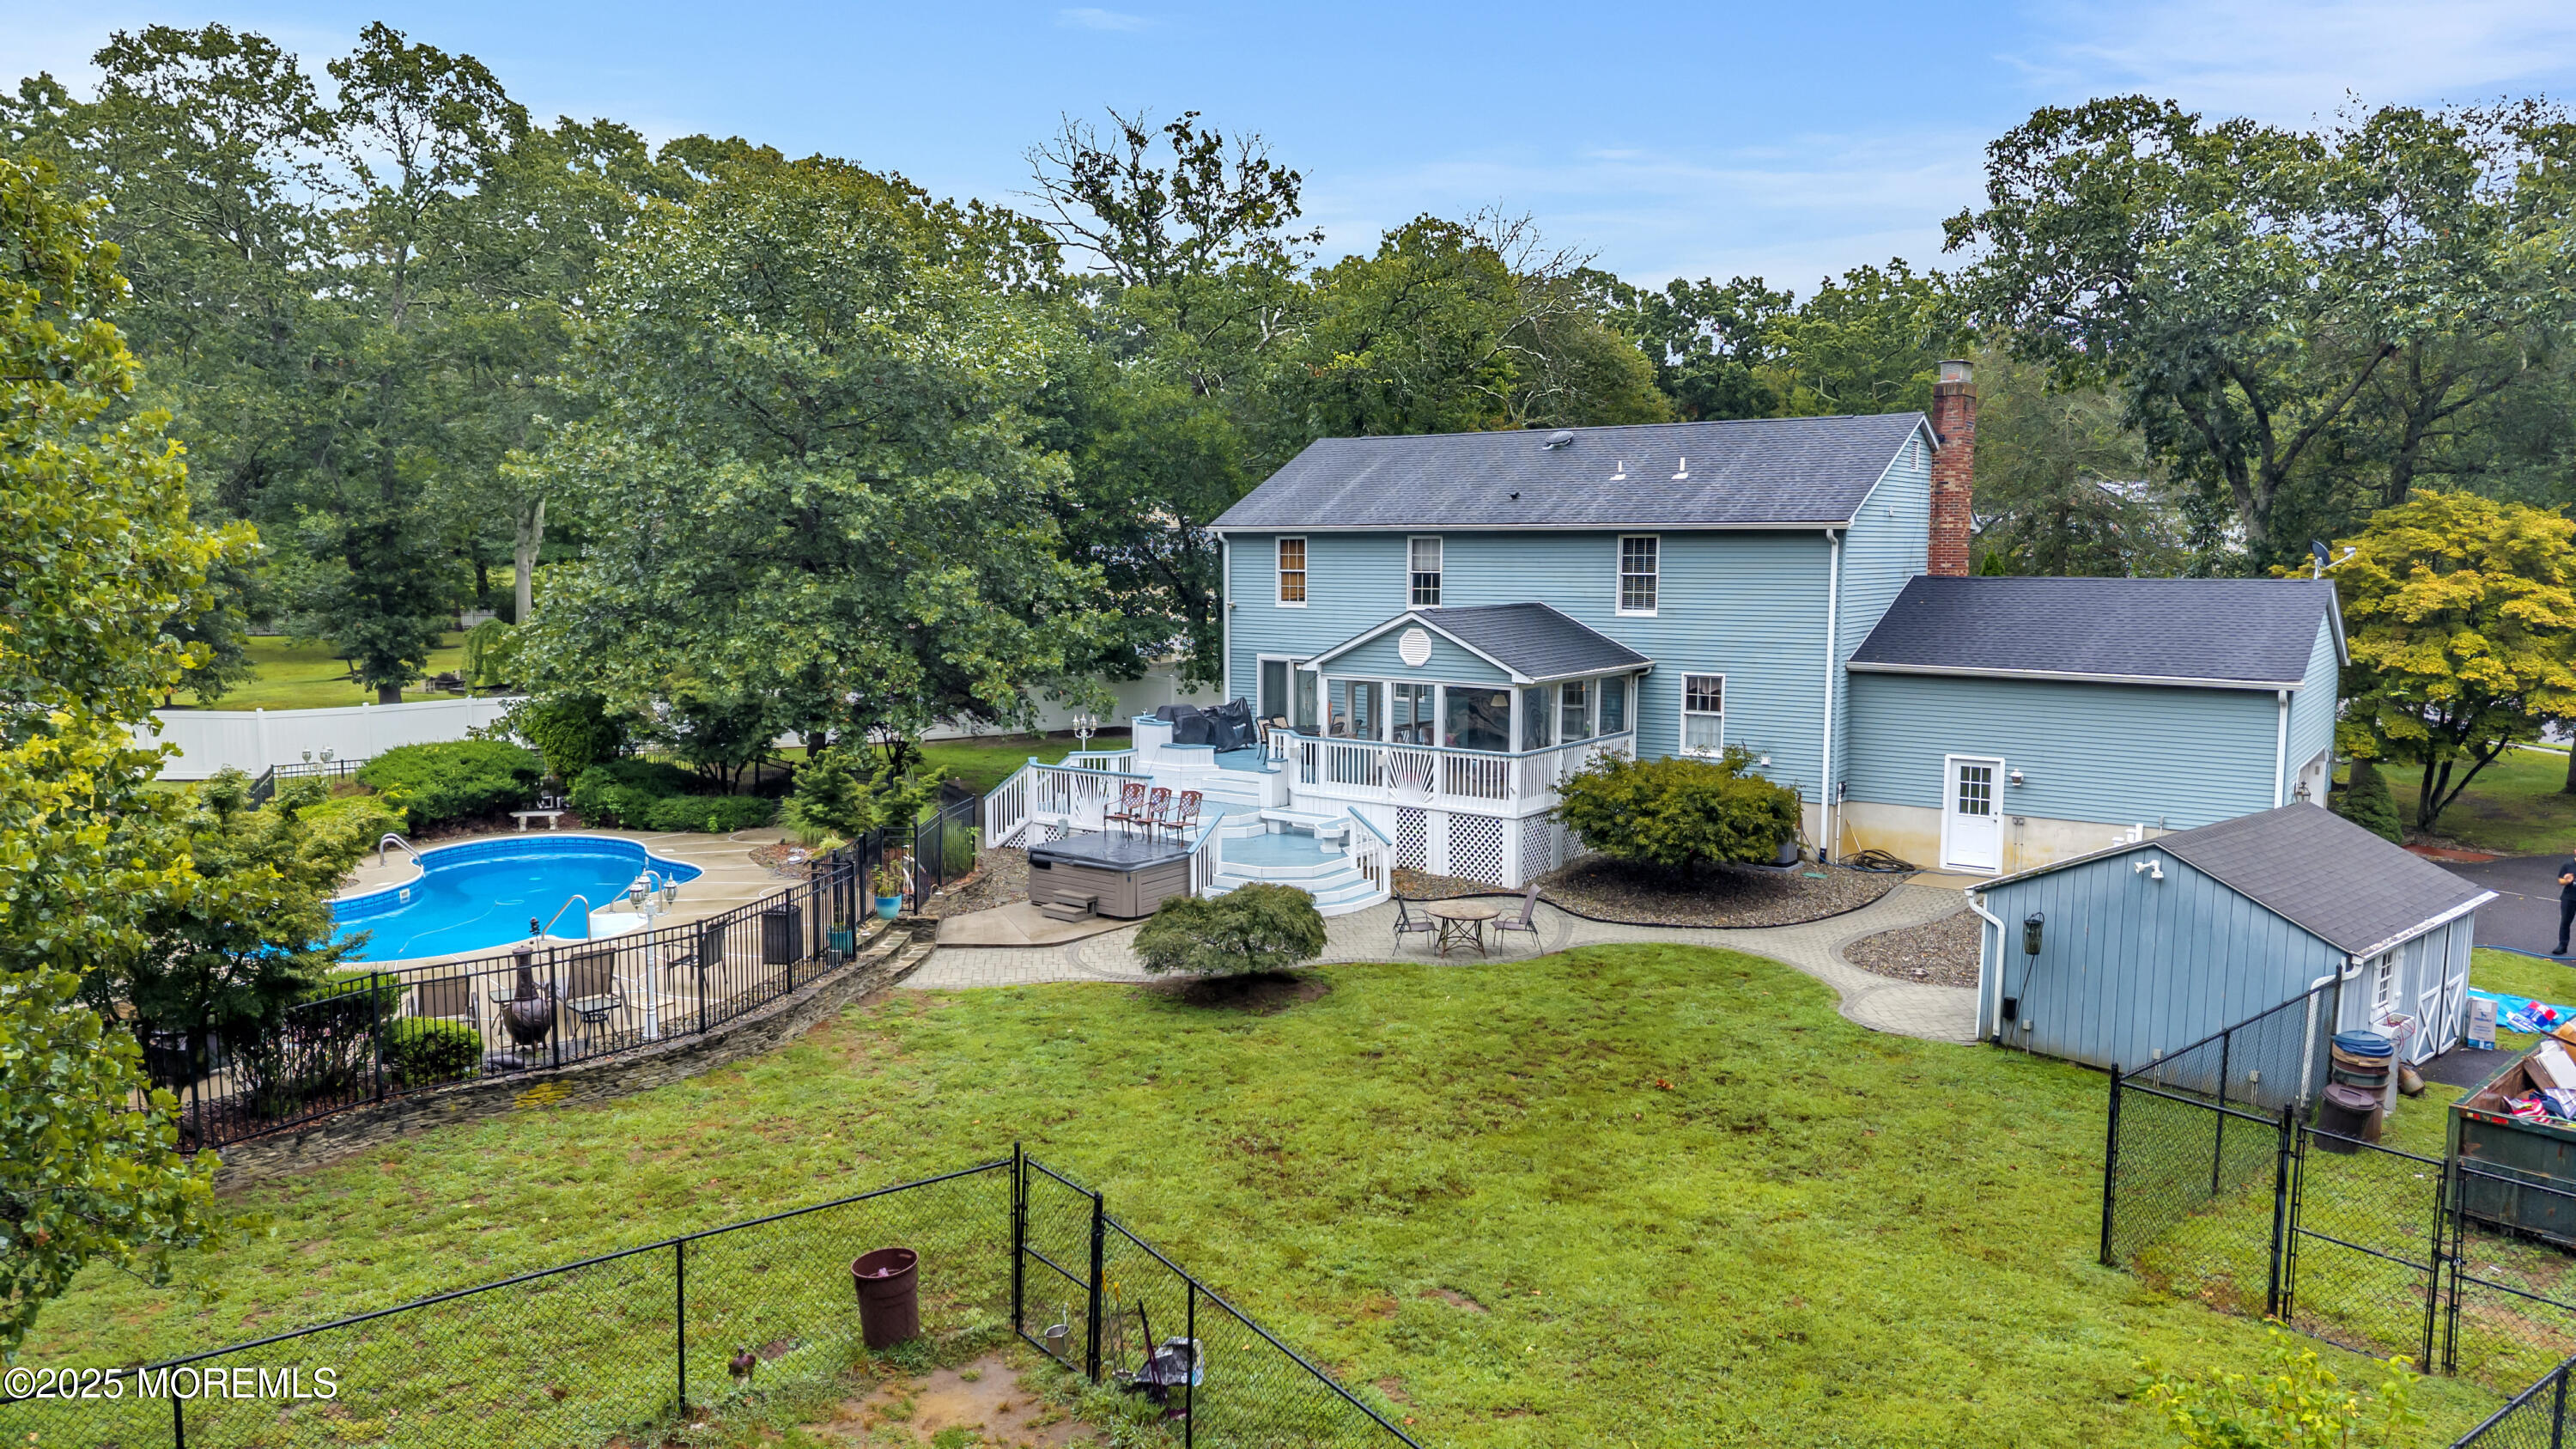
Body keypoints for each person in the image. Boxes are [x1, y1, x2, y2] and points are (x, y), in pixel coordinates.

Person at [2559, 845, 2576, 957]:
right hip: (2569, 898)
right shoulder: (2568, 865)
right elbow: (2560, 880)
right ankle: (2562, 946)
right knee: (2565, 922)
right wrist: (2567, 880)